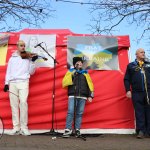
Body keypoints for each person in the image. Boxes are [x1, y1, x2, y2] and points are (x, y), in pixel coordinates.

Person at [3, 40, 37, 136]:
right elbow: (8, 72)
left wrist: (33, 62)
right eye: (21, 45)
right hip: (13, 83)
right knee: (13, 105)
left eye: (24, 46)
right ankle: (16, 127)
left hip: (23, 82)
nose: (23, 47)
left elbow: (31, 72)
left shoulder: (27, 58)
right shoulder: (12, 58)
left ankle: (24, 127)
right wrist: (6, 83)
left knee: (23, 103)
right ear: (17, 46)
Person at [62, 57, 94, 137]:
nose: (80, 63)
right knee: (70, 112)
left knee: (79, 113)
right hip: (72, 95)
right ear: (75, 64)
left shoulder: (85, 73)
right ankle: (68, 130)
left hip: (83, 96)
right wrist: (74, 73)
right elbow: (65, 83)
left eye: (81, 62)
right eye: (78, 62)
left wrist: (90, 96)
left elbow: (90, 85)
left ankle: (77, 130)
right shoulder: (70, 72)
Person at [124, 48, 150, 139]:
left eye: (144, 52)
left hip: (148, 92)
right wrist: (128, 90)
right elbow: (126, 79)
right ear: (136, 54)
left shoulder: (148, 64)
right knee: (139, 112)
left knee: (148, 111)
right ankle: (141, 131)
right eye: (141, 52)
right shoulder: (131, 66)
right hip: (137, 92)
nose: (143, 53)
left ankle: (148, 131)